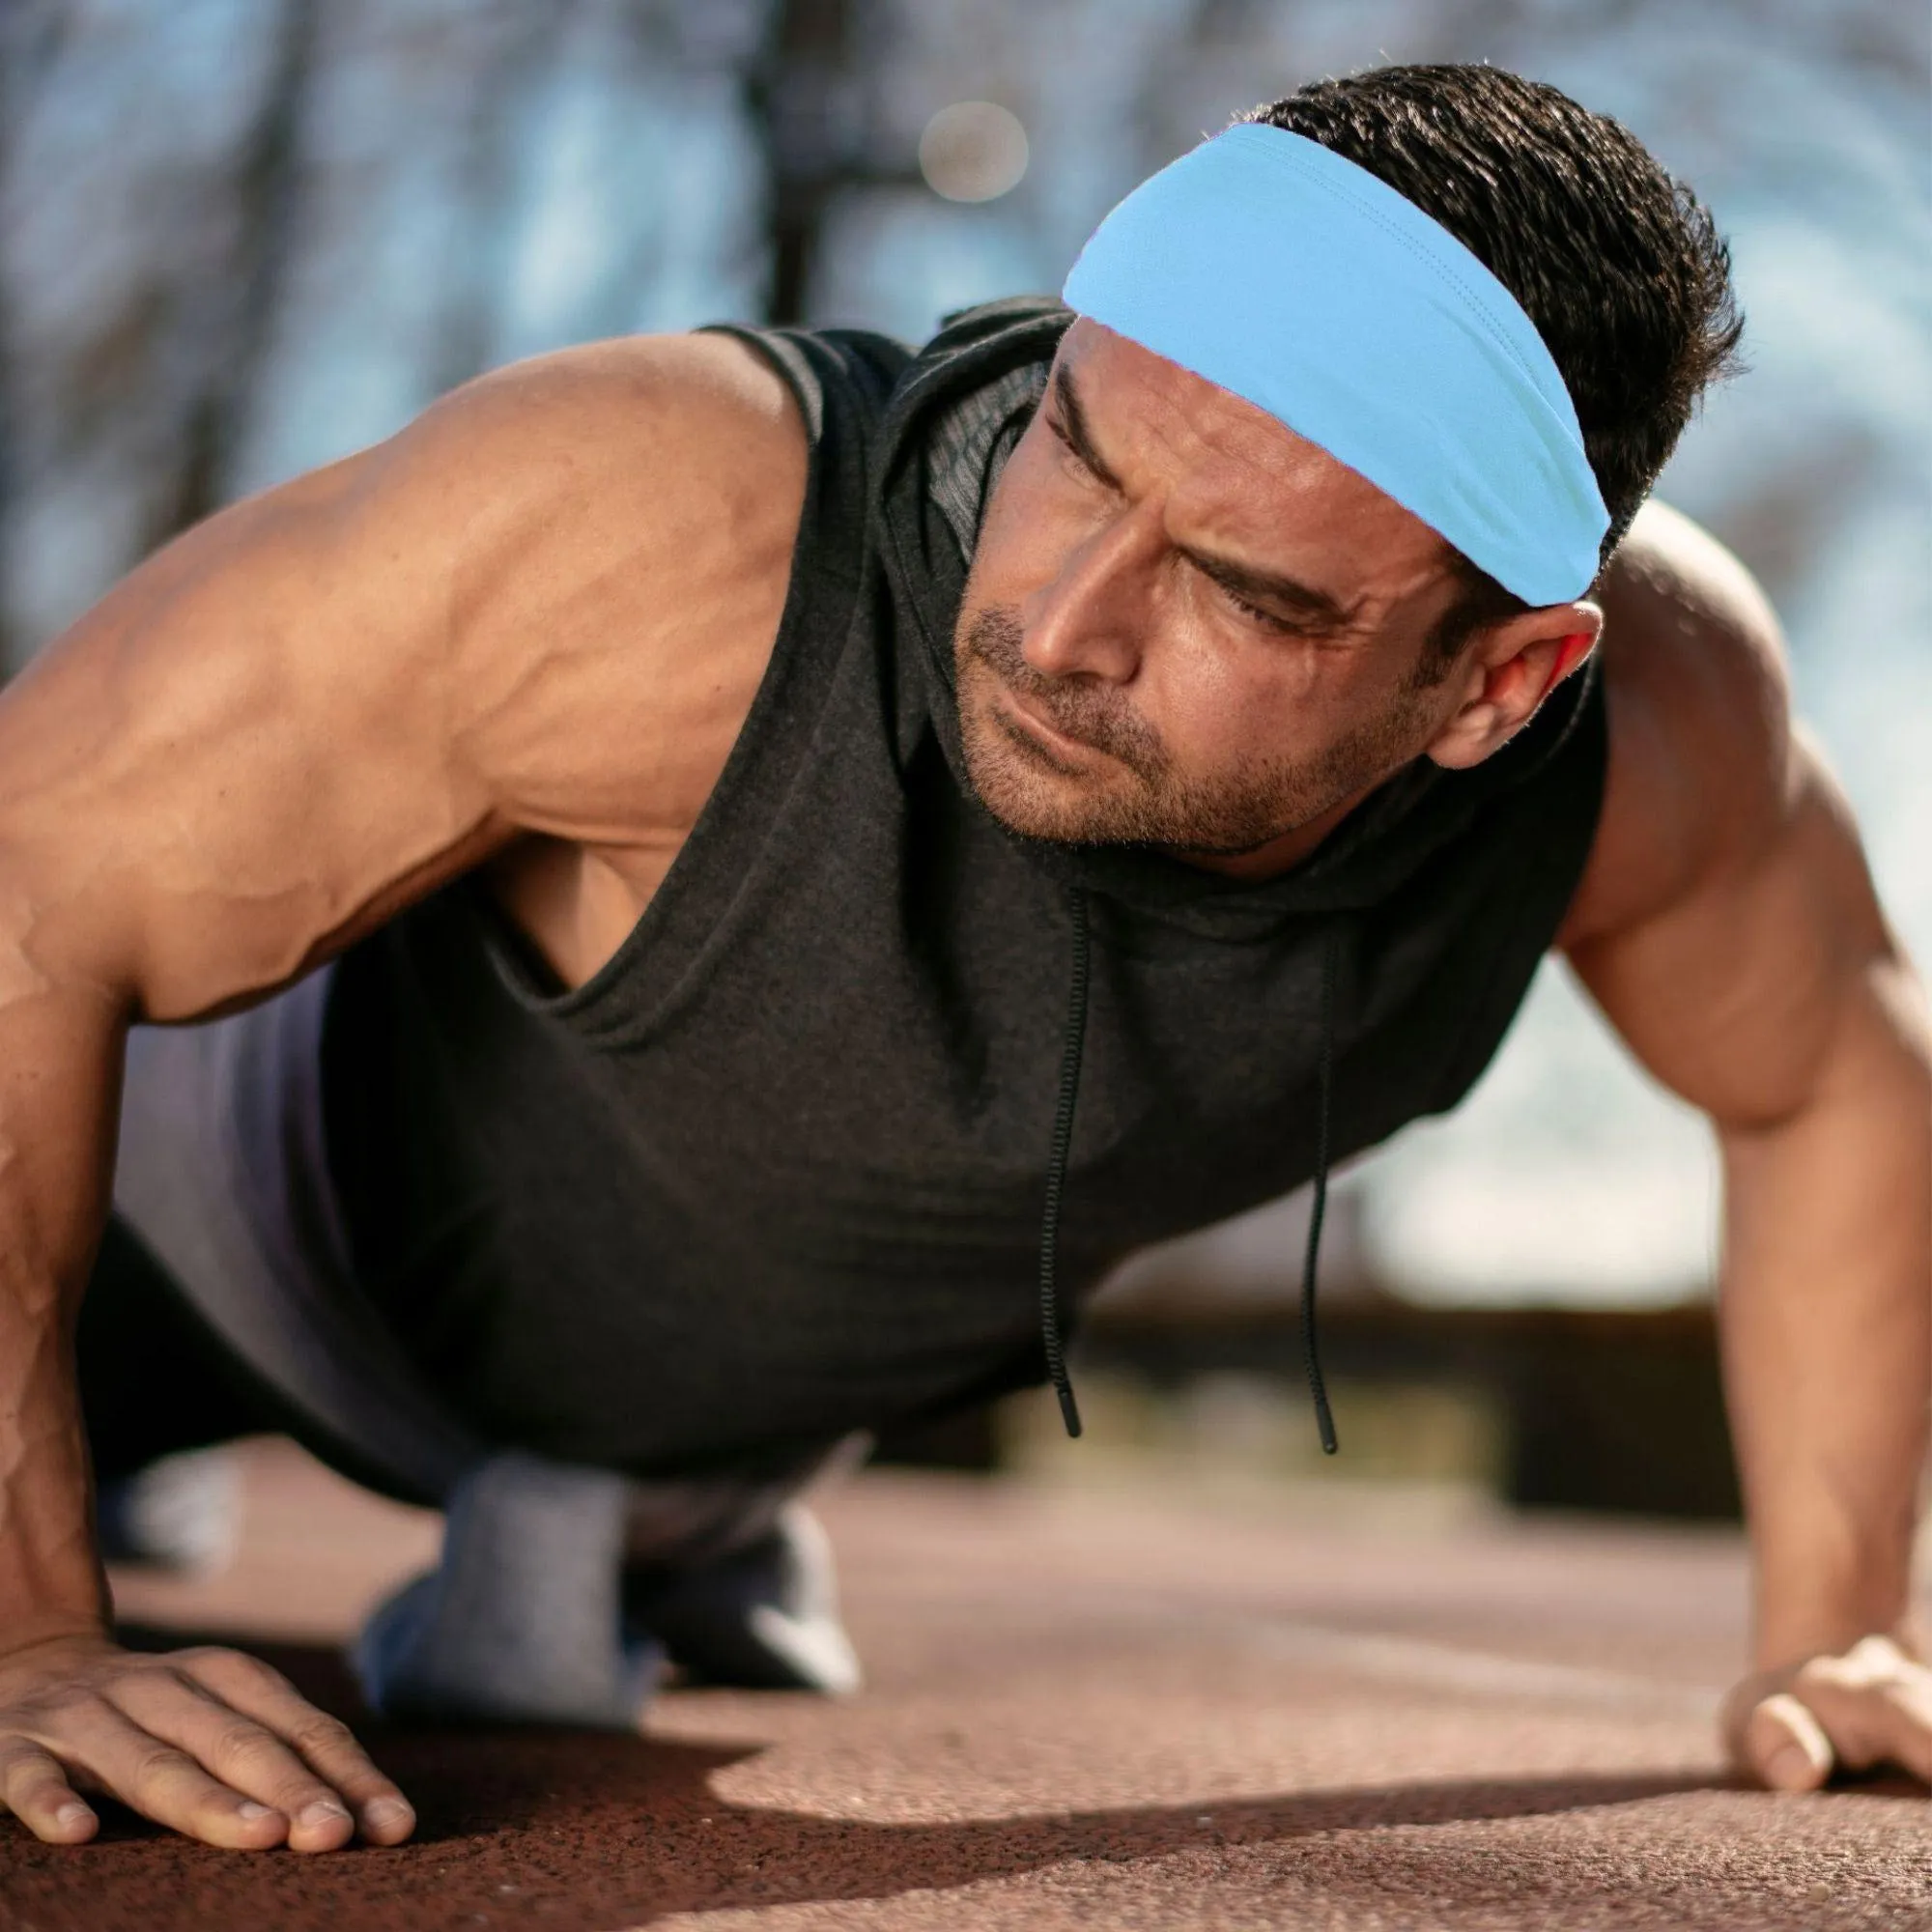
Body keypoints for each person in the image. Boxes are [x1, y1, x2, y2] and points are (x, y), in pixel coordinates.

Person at [0, 62, 1926, 1857]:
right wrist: (28, 1631)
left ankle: (642, 1515)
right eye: (1077, 456)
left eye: (1245, 592)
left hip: (694, 1431)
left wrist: (1833, 1627)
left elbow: (1834, 1070)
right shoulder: (659, 526)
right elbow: (33, 868)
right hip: (201, 1237)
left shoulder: (1659, 732)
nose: (1063, 620)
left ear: (1499, 683)